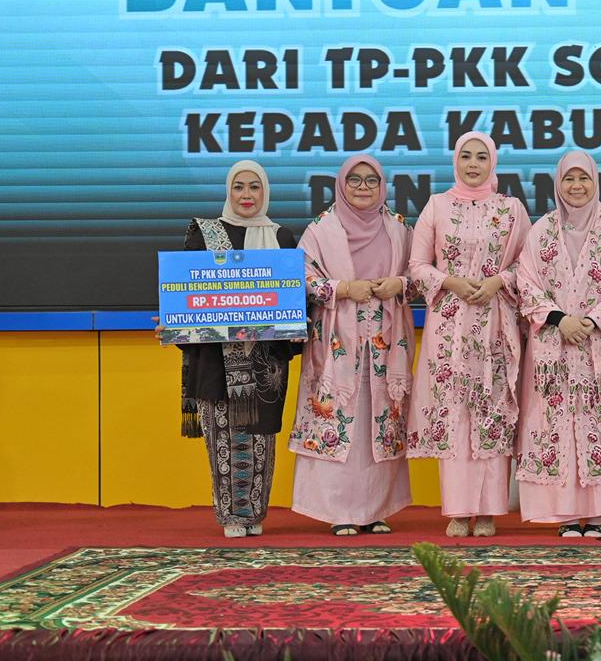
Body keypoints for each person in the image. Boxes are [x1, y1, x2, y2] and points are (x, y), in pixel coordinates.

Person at [516, 151, 601, 539]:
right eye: (569, 179)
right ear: (558, 184)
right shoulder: (541, 231)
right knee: (556, 428)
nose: (576, 186)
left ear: (596, 183)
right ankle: (565, 515)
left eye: (584, 179)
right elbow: (526, 283)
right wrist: (561, 320)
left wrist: (590, 321)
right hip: (554, 348)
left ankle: (598, 516)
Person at [165, 160, 300, 538]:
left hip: (265, 362)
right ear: (228, 191)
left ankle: (254, 512)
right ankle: (230, 515)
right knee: (223, 437)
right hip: (215, 359)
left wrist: (298, 325)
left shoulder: (281, 237)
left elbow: (294, 297)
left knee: (259, 439)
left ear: (265, 192)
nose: (246, 195)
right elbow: (186, 291)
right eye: (239, 187)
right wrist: (172, 321)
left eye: (254, 187)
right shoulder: (205, 234)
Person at [407, 132, 530, 538]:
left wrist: (498, 281)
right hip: (450, 328)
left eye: (481, 157)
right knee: (455, 413)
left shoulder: (511, 209)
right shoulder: (436, 206)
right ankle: (459, 511)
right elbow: (417, 265)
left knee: (494, 411)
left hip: (496, 325)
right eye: (466, 156)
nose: (473, 164)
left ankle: (490, 510)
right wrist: (450, 281)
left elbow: (529, 266)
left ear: (493, 163)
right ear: (455, 162)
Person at [289, 154, 414, 536]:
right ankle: (338, 511)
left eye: (371, 180)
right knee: (340, 417)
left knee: (377, 422)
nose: (363, 187)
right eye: (354, 180)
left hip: (386, 343)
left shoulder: (398, 228)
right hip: (337, 342)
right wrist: (342, 288)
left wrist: (399, 284)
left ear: (382, 186)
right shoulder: (321, 229)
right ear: (341, 185)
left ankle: (375, 510)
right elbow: (300, 277)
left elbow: (421, 272)